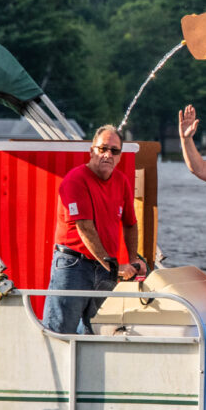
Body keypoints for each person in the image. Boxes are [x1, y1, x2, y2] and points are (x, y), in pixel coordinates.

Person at [42, 125, 148, 335]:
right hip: (74, 265)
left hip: (106, 267)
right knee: (60, 330)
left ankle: (87, 368)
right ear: (92, 151)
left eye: (114, 151)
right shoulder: (75, 180)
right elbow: (85, 227)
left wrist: (132, 259)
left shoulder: (122, 182)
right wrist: (113, 264)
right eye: (103, 149)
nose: (108, 155)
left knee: (97, 330)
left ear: (119, 156)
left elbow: (130, 223)